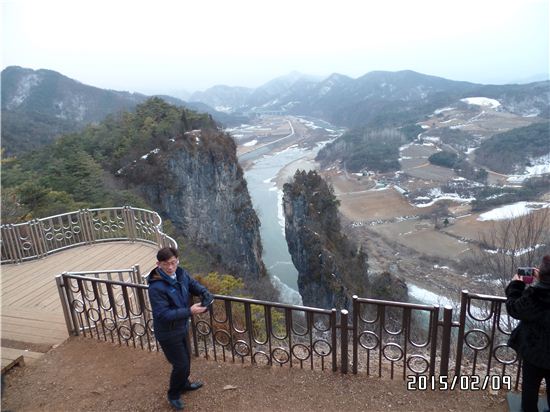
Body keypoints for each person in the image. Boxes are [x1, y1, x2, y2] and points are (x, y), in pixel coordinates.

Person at [147, 247, 213, 410]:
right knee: (181, 364)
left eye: (173, 263)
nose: (170, 267)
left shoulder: (181, 273)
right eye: (165, 264)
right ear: (158, 264)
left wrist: (204, 292)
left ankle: (184, 384)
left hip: (181, 326)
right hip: (168, 332)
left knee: (186, 359)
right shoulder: (156, 287)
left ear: (177, 261)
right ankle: (173, 394)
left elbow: (192, 284)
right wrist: (189, 311)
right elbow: (163, 314)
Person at [505, 255, 550, 412]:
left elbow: (513, 308)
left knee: (530, 390)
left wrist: (516, 285)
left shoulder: (534, 295)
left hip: (533, 352)